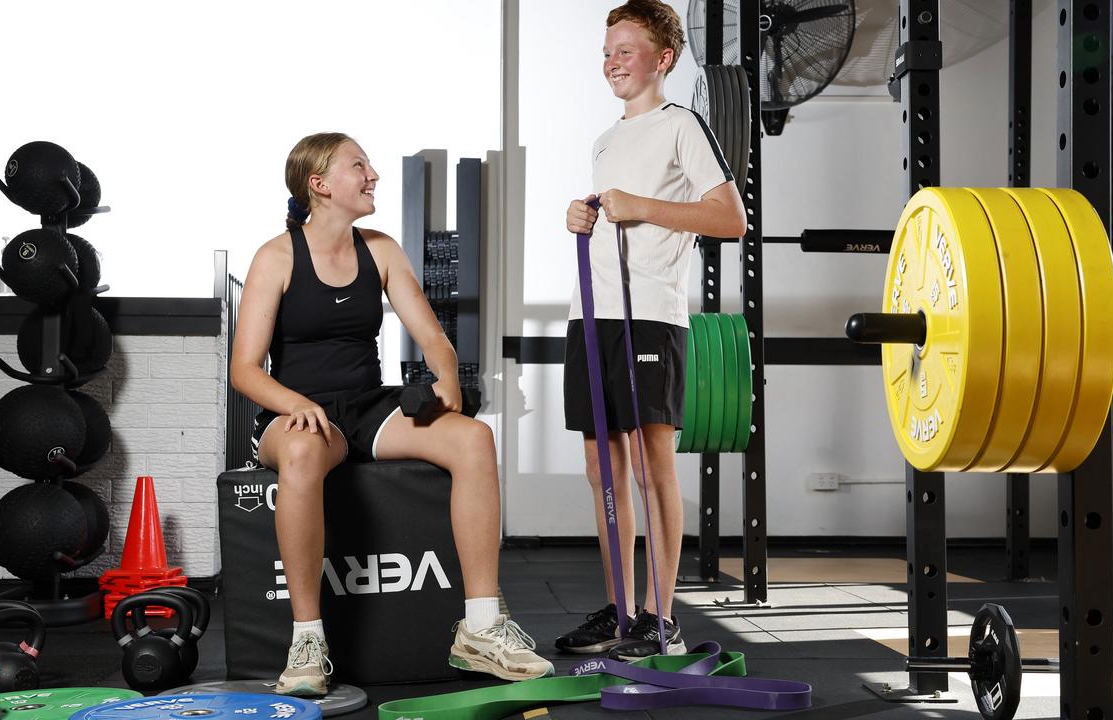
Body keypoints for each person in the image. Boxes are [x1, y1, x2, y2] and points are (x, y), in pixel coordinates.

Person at [231, 132, 553, 696]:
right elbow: (246, 370)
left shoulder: (378, 249)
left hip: (365, 408)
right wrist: (297, 404)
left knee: (473, 438)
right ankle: (307, 641)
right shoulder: (276, 257)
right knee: (305, 449)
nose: (372, 174)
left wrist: (447, 371)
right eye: (359, 166)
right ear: (320, 185)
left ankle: (480, 628)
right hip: (296, 415)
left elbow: (431, 334)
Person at [558, 0, 746, 660]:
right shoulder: (605, 140)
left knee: (648, 464)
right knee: (600, 468)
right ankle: (620, 610)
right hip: (593, 316)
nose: (611, 60)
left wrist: (642, 208)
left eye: (626, 49)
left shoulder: (680, 126)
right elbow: (613, 221)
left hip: (650, 318)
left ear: (662, 59)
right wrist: (581, 219)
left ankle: (660, 618)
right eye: (606, 50)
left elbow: (729, 218)